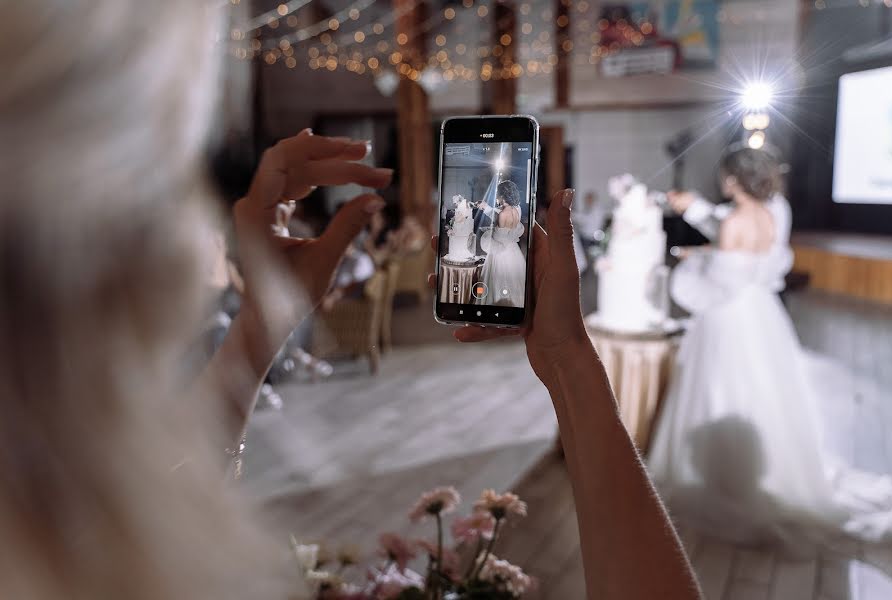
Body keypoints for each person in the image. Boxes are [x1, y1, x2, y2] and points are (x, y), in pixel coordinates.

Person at [0, 1, 700, 598]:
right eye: (180, 169)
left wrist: (259, 322)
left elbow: (138, 500)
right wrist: (571, 362)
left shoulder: (68, 534)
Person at [648, 148, 892, 553]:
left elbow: (719, 285)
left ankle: (718, 476)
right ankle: (755, 469)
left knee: (718, 387)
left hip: (729, 316)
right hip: (760, 313)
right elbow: (748, 264)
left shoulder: (733, 220)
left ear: (733, 180)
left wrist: (687, 271)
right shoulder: (769, 215)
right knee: (758, 391)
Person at [667, 147, 792, 289]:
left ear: (732, 179)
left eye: (722, 174)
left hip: (754, 289)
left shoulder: (771, 207)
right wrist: (691, 204)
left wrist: (698, 256)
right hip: (759, 295)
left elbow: (743, 249)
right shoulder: (762, 210)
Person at [476, 180, 527, 307]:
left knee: (497, 283)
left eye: (497, 194)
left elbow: (498, 237)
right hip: (513, 251)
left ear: (502, 196)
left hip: (500, 253)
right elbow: (501, 219)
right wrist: (486, 207)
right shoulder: (516, 209)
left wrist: (489, 231)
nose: (496, 197)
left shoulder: (503, 214)